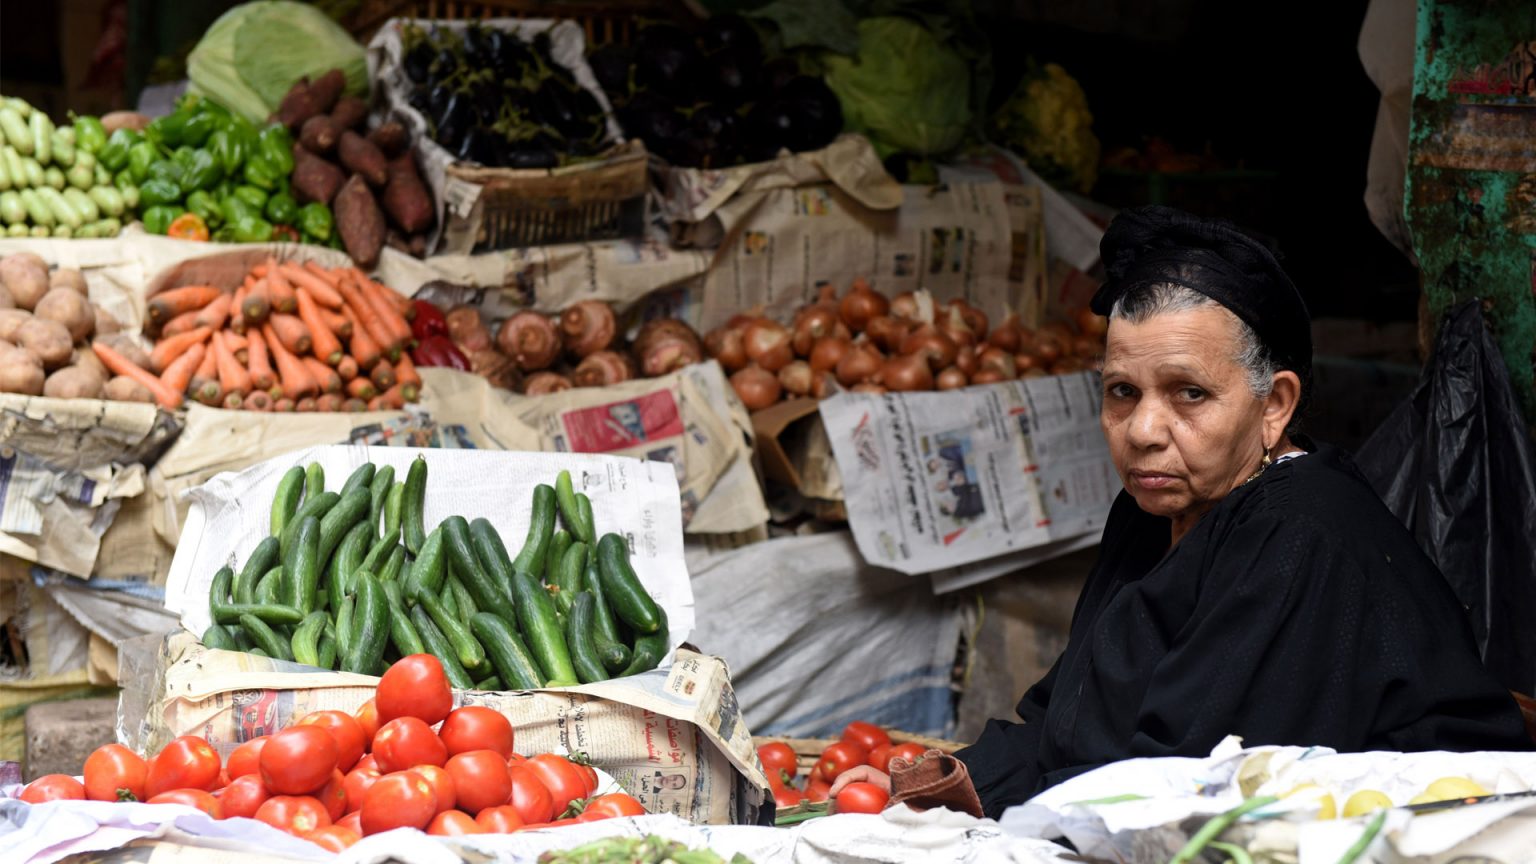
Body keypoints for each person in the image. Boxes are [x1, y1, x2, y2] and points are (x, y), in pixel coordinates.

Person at [830, 205, 1534, 819]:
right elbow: (1070, 719)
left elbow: (1186, 788)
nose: (1142, 430)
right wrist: (938, 782)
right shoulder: (1154, 510)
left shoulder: (1300, 537)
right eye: (1121, 392)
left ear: (1275, 405)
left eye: (1189, 394)